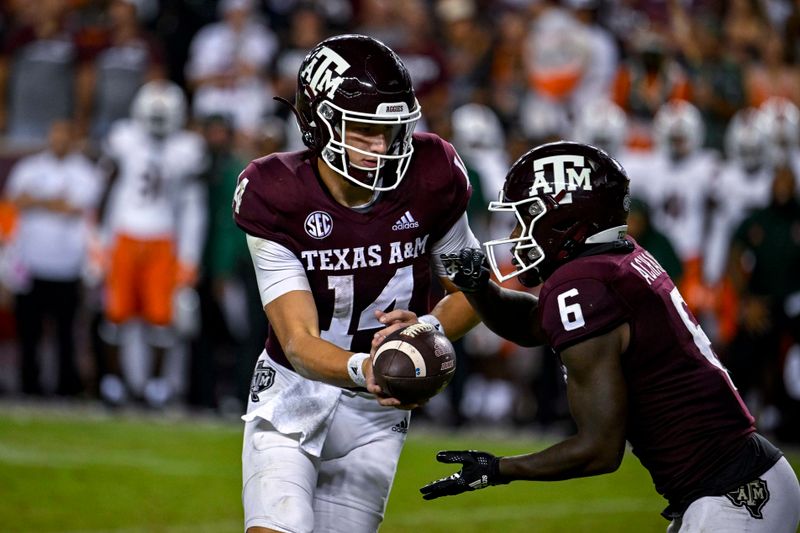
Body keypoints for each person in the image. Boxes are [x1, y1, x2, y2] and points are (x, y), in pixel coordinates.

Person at [421, 141, 800, 533]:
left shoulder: (584, 284)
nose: (516, 235)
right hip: (739, 482)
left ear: (564, 220)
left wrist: (497, 468)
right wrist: (481, 289)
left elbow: (599, 450)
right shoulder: (615, 260)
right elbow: (536, 325)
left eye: (524, 219)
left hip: (735, 493)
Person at [233, 34, 480, 533]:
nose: (380, 146)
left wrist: (423, 333)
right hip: (293, 395)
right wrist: (369, 366)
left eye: (389, 130)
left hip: (375, 417)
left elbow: (473, 291)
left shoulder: (431, 175)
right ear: (319, 122)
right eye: (363, 129)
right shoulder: (275, 193)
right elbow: (300, 343)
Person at [96, 79, 207, 408]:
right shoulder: (123, 138)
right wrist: (100, 242)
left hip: (162, 238)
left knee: (163, 318)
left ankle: (156, 385)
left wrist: (189, 255)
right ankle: (114, 382)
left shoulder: (188, 148)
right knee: (115, 316)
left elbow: (192, 207)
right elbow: (107, 192)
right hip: (125, 234)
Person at [3, 119, 102, 396]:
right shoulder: (29, 167)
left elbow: (77, 208)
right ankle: (28, 386)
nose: (58, 139)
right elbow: (14, 201)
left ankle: (65, 388)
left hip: (67, 265)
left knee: (66, 334)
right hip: (31, 263)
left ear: (72, 138)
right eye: (54, 133)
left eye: (64, 134)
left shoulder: (84, 172)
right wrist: (52, 203)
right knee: (29, 332)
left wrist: (37, 201)